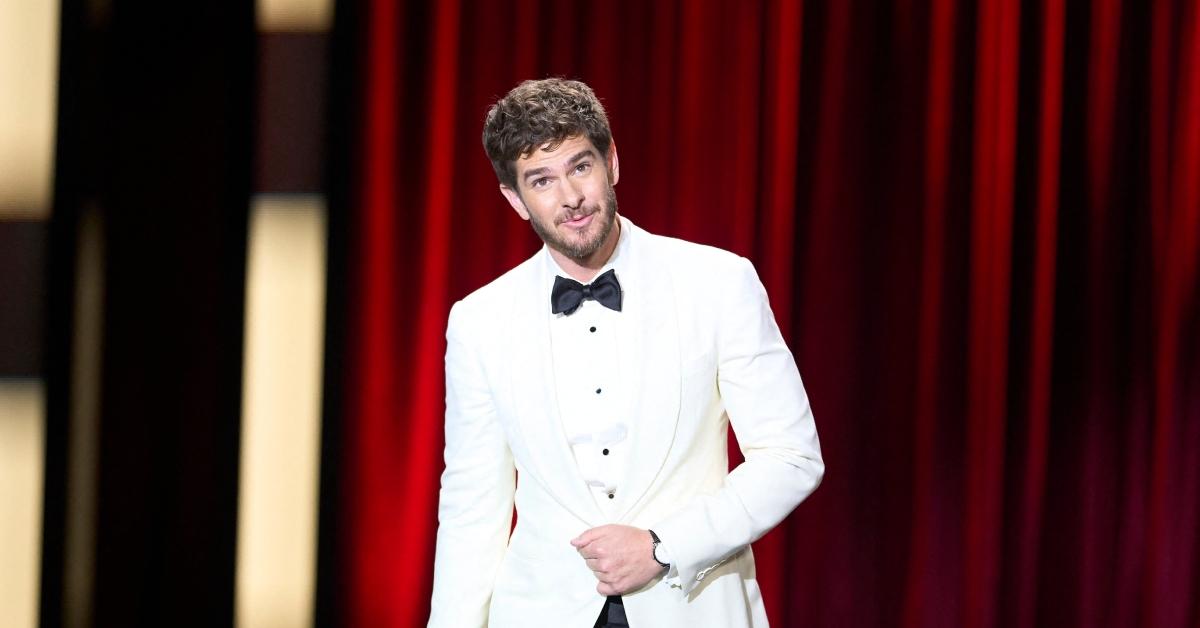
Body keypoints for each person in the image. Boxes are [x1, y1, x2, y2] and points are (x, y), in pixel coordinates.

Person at [427, 78, 823, 628]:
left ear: (612, 163)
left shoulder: (717, 282)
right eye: (542, 181)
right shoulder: (480, 320)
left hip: (693, 605)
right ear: (514, 200)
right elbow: (472, 504)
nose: (569, 198)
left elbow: (791, 457)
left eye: (580, 167)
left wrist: (663, 545)